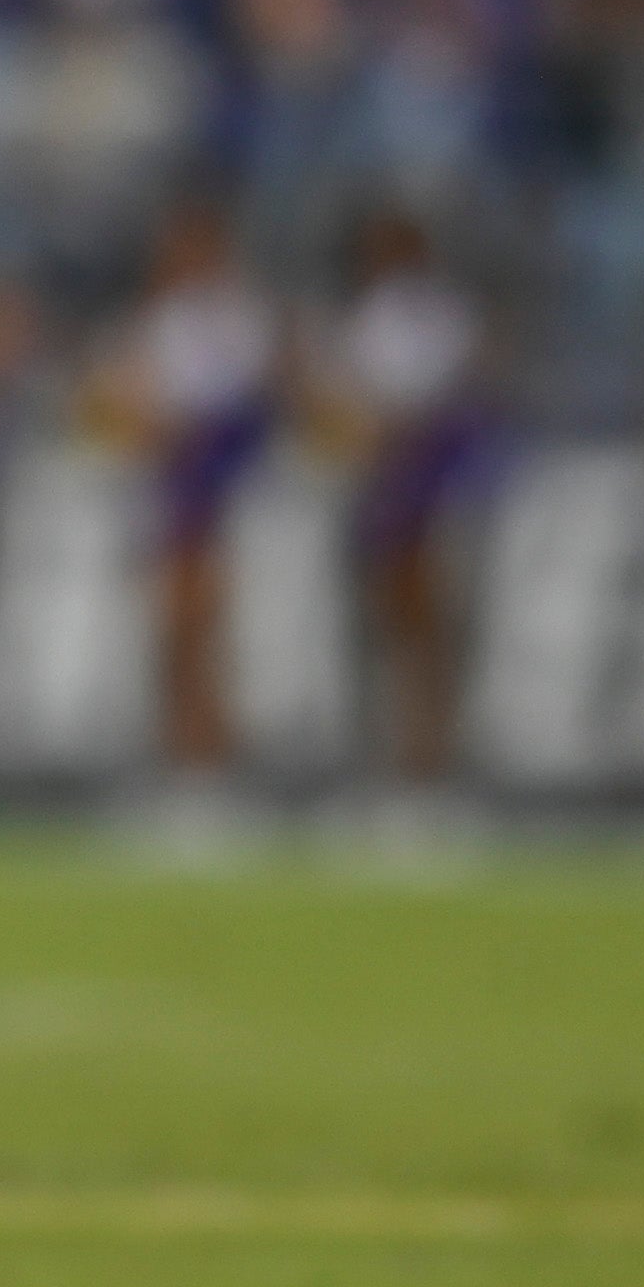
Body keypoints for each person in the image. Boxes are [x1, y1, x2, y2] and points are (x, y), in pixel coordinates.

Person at [92, 198, 279, 840]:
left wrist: (173, 430)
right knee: (170, 637)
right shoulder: (155, 320)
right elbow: (119, 405)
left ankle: (211, 772)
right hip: (166, 496)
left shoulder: (237, 320)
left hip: (216, 499)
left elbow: (240, 409)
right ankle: (176, 767)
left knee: (208, 634)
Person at [317, 206, 492, 821]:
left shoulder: (441, 317)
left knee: (431, 633)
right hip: (384, 494)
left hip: (431, 492)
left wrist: (378, 432)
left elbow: (433, 404)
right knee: (384, 633)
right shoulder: (367, 318)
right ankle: (392, 766)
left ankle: (433, 768)